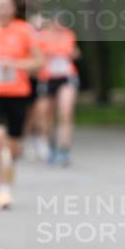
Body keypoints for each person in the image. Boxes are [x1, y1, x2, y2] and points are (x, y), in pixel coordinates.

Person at [0, 0, 43, 208]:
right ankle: (3, 190)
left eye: (7, 5)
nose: (3, 9)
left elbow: (38, 64)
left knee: (13, 147)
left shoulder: (24, 30)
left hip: (18, 93)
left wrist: (15, 64)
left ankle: (7, 179)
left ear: (13, 8)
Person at [35, 13, 81, 165]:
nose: (61, 25)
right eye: (58, 21)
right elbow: (36, 53)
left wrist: (71, 53)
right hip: (47, 78)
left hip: (66, 77)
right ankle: (51, 146)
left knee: (66, 112)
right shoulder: (42, 36)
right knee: (46, 115)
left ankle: (64, 149)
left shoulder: (68, 35)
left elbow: (74, 52)